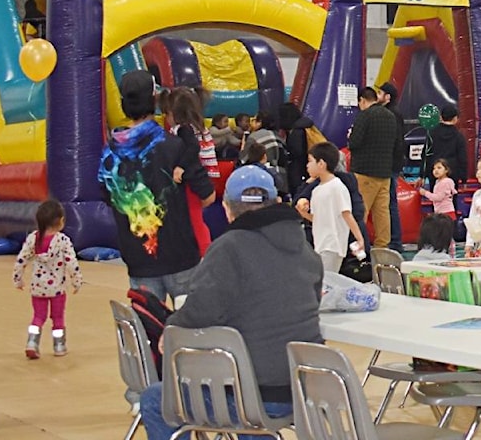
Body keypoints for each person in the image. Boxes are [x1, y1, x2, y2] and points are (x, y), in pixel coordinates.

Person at [139, 165, 324, 440]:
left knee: (155, 399)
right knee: (250, 387)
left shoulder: (229, 248)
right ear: (275, 202)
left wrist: (172, 324)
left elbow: (201, 311)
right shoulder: (306, 249)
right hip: (305, 386)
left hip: (254, 394)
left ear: (227, 209)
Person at [98, 70, 215, 304]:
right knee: (187, 333)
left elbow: (109, 197)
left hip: (139, 258)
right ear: (155, 101)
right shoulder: (176, 146)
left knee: (148, 332)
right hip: (180, 255)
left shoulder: (109, 155)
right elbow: (208, 195)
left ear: (123, 104)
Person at [12, 200, 83, 359]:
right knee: (57, 318)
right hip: (57, 290)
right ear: (60, 221)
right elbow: (72, 263)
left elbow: (21, 260)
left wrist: (18, 278)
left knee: (38, 316)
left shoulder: (32, 239)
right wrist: (77, 280)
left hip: (38, 289)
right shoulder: (63, 241)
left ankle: (32, 342)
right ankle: (59, 345)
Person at [294, 142, 367, 272]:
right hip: (321, 244)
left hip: (333, 245)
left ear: (321, 164)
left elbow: (347, 215)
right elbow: (319, 219)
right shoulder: (317, 190)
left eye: (310, 161)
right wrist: (303, 214)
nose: (307, 165)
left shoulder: (337, 187)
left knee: (327, 283)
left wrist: (360, 239)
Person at [166, 87, 219, 256]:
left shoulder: (184, 129)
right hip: (199, 179)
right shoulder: (193, 127)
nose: (166, 118)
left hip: (193, 181)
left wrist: (180, 167)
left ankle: (204, 252)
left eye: (167, 113)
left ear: (175, 113)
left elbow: (193, 147)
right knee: (192, 218)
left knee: (194, 218)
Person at [348, 87, 397, 248]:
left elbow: (354, 142)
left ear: (362, 100)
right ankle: (383, 247)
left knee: (360, 211)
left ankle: (360, 247)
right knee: (382, 213)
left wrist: (351, 136)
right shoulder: (390, 116)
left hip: (365, 171)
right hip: (385, 172)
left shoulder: (365, 115)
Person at [377, 82, 407, 252]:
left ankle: (394, 241)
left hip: (388, 164)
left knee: (389, 203)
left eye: (380, 93)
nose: (377, 96)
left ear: (387, 97)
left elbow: (395, 142)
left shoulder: (390, 115)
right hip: (392, 163)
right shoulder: (395, 113)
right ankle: (393, 240)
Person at [278, 102, 316, 196]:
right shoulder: (306, 126)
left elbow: (297, 152)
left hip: (298, 170)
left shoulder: (296, 131)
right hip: (306, 167)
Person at [426, 103, 468, 186]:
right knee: (450, 198)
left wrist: (422, 175)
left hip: (435, 173)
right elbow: (463, 158)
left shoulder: (432, 133)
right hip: (452, 174)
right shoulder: (459, 136)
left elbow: (426, 154)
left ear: (441, 117)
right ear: (455, 118)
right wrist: (464, 179)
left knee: (436, 197)